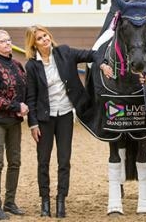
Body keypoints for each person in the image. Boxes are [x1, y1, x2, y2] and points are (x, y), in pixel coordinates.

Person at [24, 25, 102, 218]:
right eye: (40, 38)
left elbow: (92, 54)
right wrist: (32, 123)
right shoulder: (32, 66)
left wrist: (103, 63)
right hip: (44, 119)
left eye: (46, 35)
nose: (45, 39)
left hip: (66, 114)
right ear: (33, 43)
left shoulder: (65, 52)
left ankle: (61, 200)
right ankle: (45, 201)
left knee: (64, 160)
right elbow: (31, 97)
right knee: (43, 161)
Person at [0, 30, 28, 220]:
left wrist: (22, 107)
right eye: (2, 41)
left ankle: (10, 202)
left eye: (9, 40)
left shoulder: (17, 64)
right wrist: (17, 106)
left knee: (15, 162)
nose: (8, 43)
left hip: (13, 121)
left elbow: (23, 90)